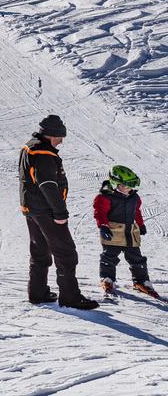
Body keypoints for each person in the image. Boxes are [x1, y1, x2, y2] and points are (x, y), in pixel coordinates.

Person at [18, 114, 99, 308]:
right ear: (51, 135)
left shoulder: (30, 146)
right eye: (59, 137)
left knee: (40, 251)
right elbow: (48, 185)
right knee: (66, 253)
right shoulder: (43, 154)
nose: (61, 141)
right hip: (46, 211)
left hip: (32, 209)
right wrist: (60, 213)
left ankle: (38, 293)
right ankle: (70, 297)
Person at [93, 165, 159, 298]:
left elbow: (137, 211)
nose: (128, 189)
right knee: (109, 257)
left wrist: (140, 224)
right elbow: (100, 212)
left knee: (136, 258)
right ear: (114, 183)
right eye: (124, 186)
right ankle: (107, 279)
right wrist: (103, 226)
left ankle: (141, 281)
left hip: (130, 232)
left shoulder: (134, 197)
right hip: (113, 231)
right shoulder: (105, 197)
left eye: (130, 185)